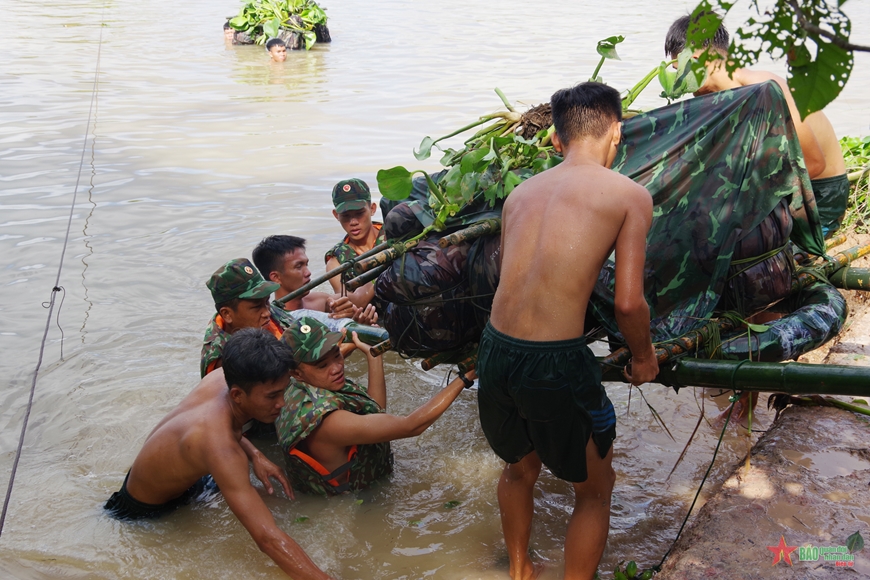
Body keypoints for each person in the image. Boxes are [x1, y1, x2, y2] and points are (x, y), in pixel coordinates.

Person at [476, 82, 659, 580]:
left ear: (556, 140)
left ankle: (520, 569)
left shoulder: (519, 194)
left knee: (518, 468)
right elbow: (627, 302)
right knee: (595, 491)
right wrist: (643, 357)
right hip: (552, 359)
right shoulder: (629, 195)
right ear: (616, 130)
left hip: (494, 350)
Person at [105, 328, 334, 580]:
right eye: (272, 396)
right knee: (264, 514)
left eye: (283, 390)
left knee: (271, 500)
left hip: (181, 476)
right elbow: (267, 539)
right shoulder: (219, 447)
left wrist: (255, 454)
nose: (281, 403)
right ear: (237, 394)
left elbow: (224, 428)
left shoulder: (219, 378)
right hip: (144, 510)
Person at [664, 14, 849, 235]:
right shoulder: (718, 98)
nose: (677, 82)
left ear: (696, 58)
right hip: (779, 190)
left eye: (678, 70)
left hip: (820, 197)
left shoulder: (764, 88)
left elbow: (814, 163)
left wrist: (740, 195)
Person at [275, 316, 476, 496]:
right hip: (355, 502)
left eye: (337, 355)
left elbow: (374, 414)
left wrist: (374, 358)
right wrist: (466, 377)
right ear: (297, 373)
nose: (337, 368)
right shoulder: (327, 421)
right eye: (322, 365)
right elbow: (412, 426)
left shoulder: (292, 388)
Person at [201, 258, 363, 378]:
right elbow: (278, 384)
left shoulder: (268, 312)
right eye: (256, 307)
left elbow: (306, 339)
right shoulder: (222, 360)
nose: (266, 312)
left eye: (266, 301)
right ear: (227, 314)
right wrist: (339, 351)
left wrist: (354, 321)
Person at [253, 234, 377, 317]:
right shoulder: (275, 321)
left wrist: (382, 263)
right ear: (276, 277)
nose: (308, 272)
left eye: (306, 264)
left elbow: (360, 299)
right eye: (298, 266)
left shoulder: (319, 301)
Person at [324, 178, 386, 297]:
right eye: (346, 216)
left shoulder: (393, 233)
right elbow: (348, 303)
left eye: (359, 213)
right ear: (336, 215)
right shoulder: (336, 261)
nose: (353, 222)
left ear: (372, 209)